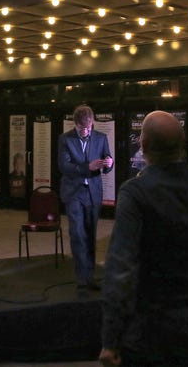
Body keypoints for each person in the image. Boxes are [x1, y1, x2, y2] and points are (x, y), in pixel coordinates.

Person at [99, 111, 188, 367]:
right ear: (182, 145)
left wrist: (111, 338)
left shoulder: (135, 193)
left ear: (143, 145)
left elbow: (121, 269)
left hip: (153, 337)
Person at [58, 104, 113, 291]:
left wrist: (109, 163)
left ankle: (89, 275)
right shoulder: (65, 140)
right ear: (75, 124)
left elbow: (107, 162)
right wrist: (86, 167)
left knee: (90, 234)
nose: (86, 131)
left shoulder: (101, 138)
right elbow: (63, 167)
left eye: (89, 127)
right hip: (74, 193)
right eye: (82, 128)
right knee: (78, 233)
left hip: (93, 193)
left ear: (92, 123)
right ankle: (82, 277)